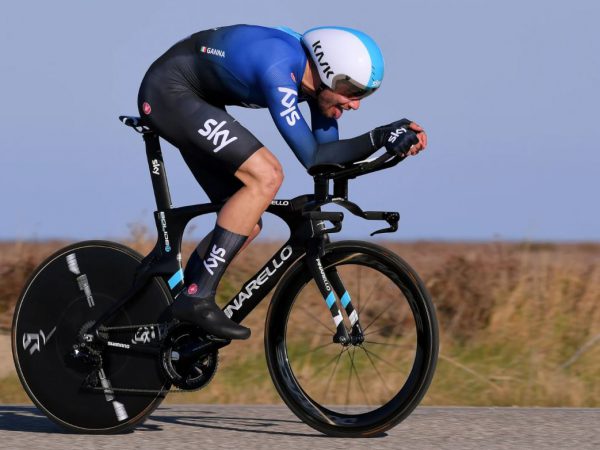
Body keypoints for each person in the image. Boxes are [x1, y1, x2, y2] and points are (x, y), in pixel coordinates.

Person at [137, 25, 427, 340]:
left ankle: (179, 317)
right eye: (352, 91)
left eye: (363, 95)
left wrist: (393, 143)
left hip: (199, 100)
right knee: (267, 175)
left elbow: (328, 159)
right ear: (328, 72)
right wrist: (379, 136)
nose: (355, 104)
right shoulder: (278, 66)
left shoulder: (316, 86)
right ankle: (196, 297)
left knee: (247, 219)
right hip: (169, 92)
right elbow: (313, 156)